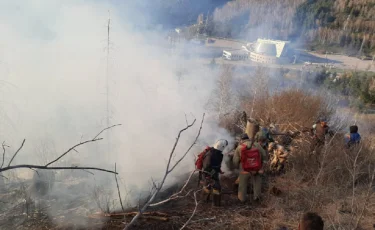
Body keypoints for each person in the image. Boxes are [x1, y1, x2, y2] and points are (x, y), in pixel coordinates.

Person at [232, 134, 268, 203]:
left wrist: (237, 168)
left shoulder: (239, 147)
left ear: (241, 140)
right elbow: (264, 156)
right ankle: (257, 198)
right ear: (248, 138)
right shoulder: (257, 145)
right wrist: (262, 168)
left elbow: (235, 161)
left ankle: (241, 199)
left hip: (244, 170)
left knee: (242, 184)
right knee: (257, 183)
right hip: (257, 169)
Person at [201, 139, 228, 207]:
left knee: (209, 186)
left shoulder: (218, 154)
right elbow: (206, 166)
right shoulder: (210, 154)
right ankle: (213, 203)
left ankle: (208, 201)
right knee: (215, 187)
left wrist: (219, 170)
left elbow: (217, 164)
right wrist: (210, 174)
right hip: (208, 173)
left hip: (213, 172)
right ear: (222, 146)